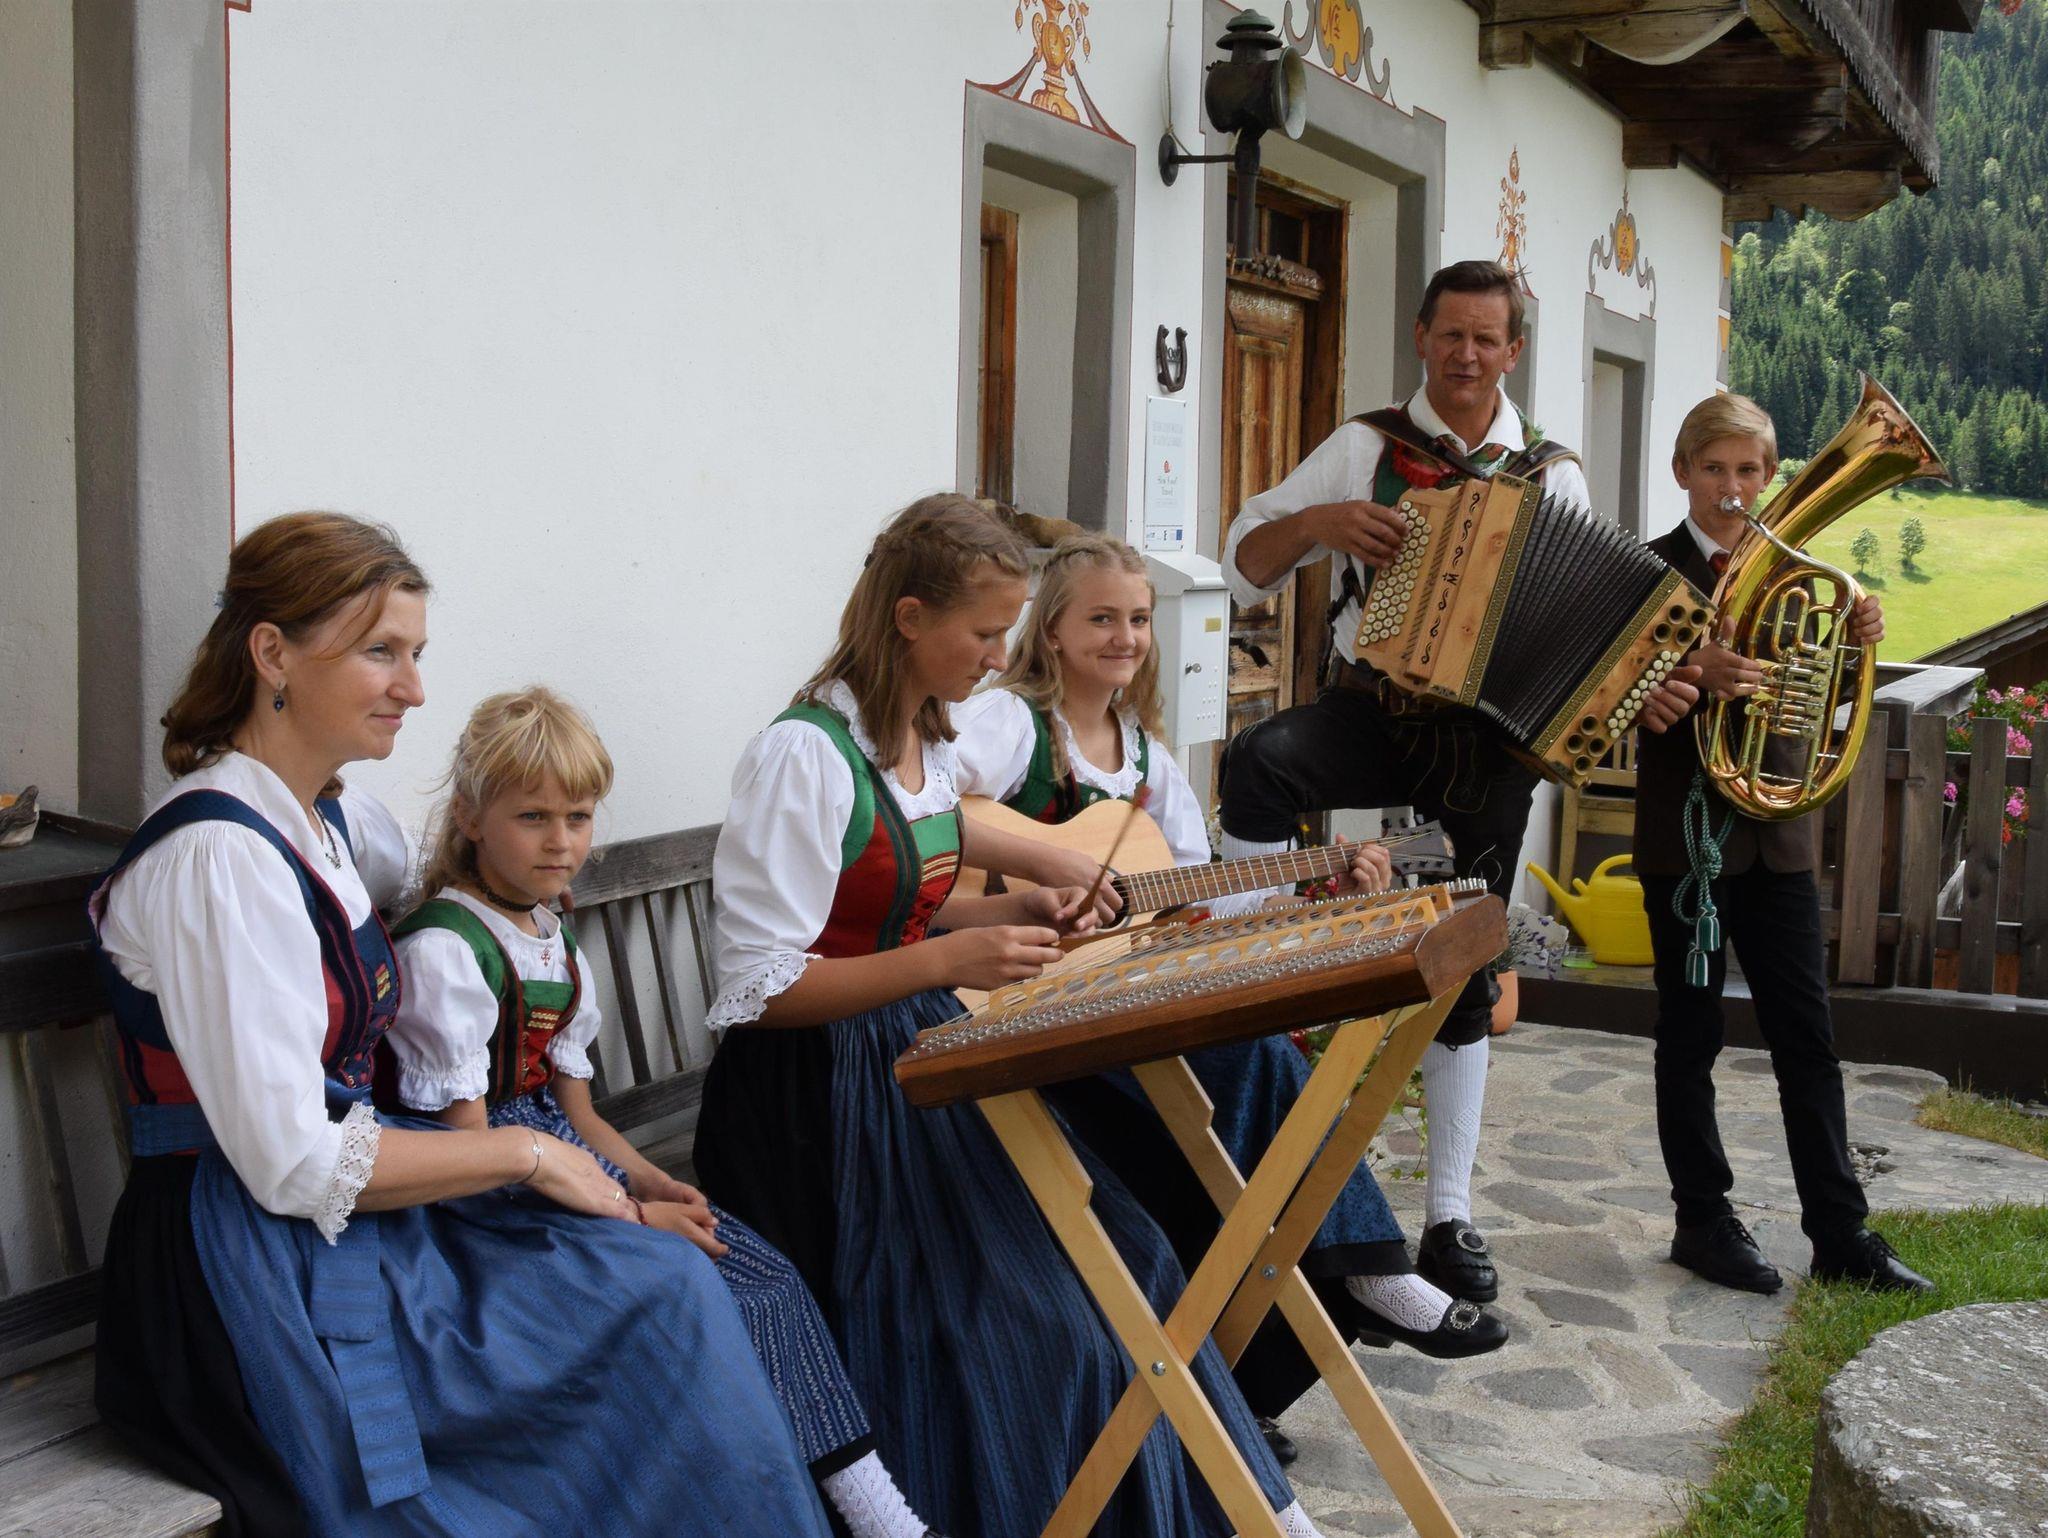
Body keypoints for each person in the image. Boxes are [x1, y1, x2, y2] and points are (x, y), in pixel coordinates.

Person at [88, 513, 830, 1537]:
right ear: (272, 653)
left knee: (663, 1282)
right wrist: (532, 1152)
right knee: (649, 1300)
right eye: (380, 652)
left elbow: (437, 876)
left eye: (417, 654)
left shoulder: (334, 822)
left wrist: (528, 870)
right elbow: (293, 1163)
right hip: (240, 1252)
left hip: (350, 1207)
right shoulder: (218, 857)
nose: (414, 688)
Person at [692, 495, 1335, 1538]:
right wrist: (946, 959)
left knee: (1130, 1257)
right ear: (908, 617)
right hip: (816, 1106)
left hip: (914, 1051)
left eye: (1008, 631)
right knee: (1035, 1320)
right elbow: (762, 990)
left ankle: (1252, 1511)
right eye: (984, 633)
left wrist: (1011, 907)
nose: (1000, 657)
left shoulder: (919, 738)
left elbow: (904, 896)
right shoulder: (803, 754)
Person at [952, 535, 1508, 1457]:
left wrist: (1322, 884)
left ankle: (1241, 1387)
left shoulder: (1147, 759)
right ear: (1048, 631)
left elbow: (1202, 900)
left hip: (1105, 1008)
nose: (1125, 637)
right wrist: (1048, 867)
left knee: (1239, 1102)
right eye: (1101, 618)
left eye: (1138, 619)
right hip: (1014, 1004)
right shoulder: (1008, 724)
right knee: (1247, 1067)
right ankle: (1368, 1272)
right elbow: (928, 814)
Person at [387, 686, 945, 1538]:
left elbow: (578, 1114)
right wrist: (633, 1213)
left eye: (577, 818)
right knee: (698, 1291)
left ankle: (877, 1516)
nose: (561, 841)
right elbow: (471, 1150)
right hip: (488, 1202)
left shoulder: (545, 932)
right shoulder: (446, 951)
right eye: (532, 817)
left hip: (565, 1163)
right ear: (470, 817)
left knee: (756, 1267)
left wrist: (653, 1183)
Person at [1215, 259, 1594, 1303]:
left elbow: (1582, 618)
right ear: (1421, 336)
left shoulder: (1551, 473)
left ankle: (1449, 1217)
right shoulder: (1365, 448)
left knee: (1468, 952)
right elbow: (1243, 557)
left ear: (1512, 350)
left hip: (1487, 736)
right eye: (1450, 335)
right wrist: (1321, 525)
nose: (1466, 355)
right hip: (1372, 709)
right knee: (1257, 761)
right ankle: (1242, 968)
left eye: (1486, 339)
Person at [1633, 393, 1931, 1295]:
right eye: (1714, 469)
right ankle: (1702, 1220)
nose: (1732, 487)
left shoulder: (1800, 572)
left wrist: (1856, 650)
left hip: (1779, 838)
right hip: (1688, 843)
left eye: (1748, 470)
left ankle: (1840, 1232)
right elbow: (1602, 703)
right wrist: (1691, 671)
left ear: (1770, 477)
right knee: (1690, 1035)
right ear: (1683, 473)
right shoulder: (1644, 573)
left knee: (1809, 1037)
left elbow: (1819, 702)